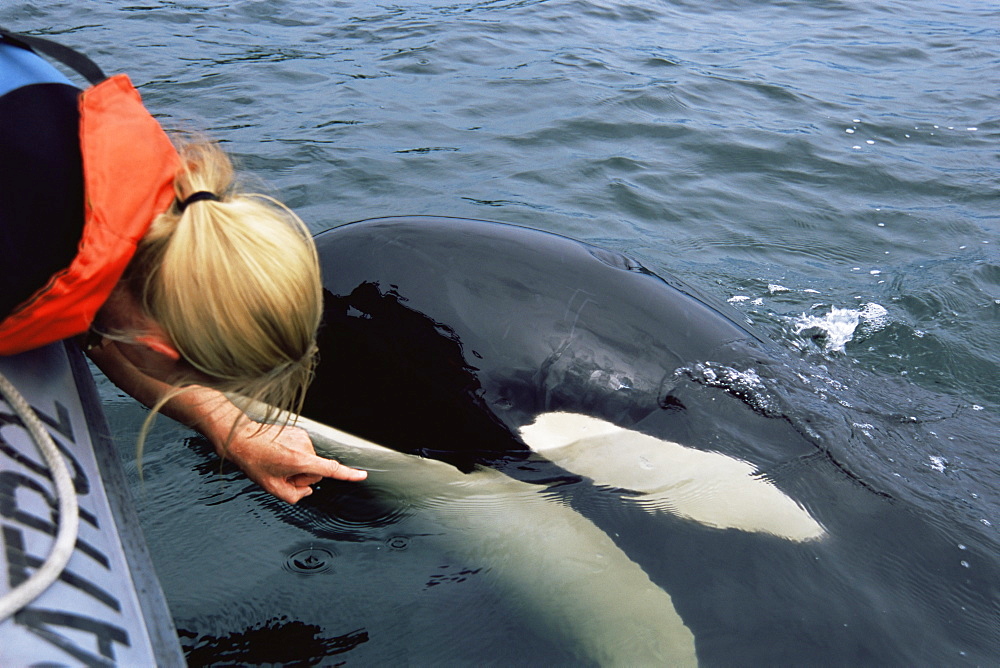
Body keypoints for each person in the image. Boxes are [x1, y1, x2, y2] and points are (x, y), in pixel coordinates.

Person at [0, 30, 366, 503]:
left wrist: (232, 428)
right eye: (188, 381)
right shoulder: (17, 253)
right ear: (159, 347)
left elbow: (100, 315)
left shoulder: (177, 210)